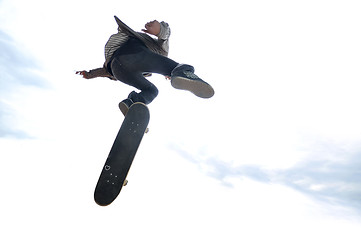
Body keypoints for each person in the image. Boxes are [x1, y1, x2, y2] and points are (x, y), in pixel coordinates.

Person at [76, 16, 214, 115]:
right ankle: (182, 73)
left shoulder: (150, 64)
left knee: (151, 91)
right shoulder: (160, 50)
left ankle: (132, 104)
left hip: (117, 69)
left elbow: (105, 71)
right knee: (181, 67)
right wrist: (159, 30)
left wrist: (89, 74)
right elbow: (165, 36)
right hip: (132, 54)